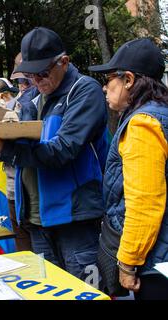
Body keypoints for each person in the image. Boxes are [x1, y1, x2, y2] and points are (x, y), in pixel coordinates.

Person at [0, 27, 109, 281]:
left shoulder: (84, 91)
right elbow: (23, 140)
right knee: (48, 292)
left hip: (74, 219)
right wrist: (0, 141)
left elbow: (63, 150)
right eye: (30, 76)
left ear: (64, 62)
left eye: (43, 74)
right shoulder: (34, 97)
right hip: (37, 218)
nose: (37, 82)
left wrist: (9, 151)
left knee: (85, 293)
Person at [89, 38, 168, 299]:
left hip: (155, 261)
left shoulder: (143, 124)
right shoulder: (160, 114)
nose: (104, 88)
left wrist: (127, 262)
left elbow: (144, 203)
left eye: (110, 78)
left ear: (129, 80)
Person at [0, 78, 32, 252]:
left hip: (18, 188)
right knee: (26, 242)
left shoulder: (20, 108)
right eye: (13, 91)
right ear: (3, 95)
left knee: (25, 241)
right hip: (14, 188)